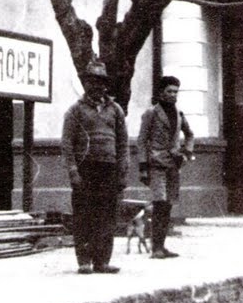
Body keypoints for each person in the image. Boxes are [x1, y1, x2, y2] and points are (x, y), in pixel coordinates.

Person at [61, 61, 127, 274]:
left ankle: (102, 261)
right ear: (85, 83)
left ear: (105, 85)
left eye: (100, 82)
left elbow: (123, 143)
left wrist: (122, 172)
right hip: (85, 170)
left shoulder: (115, 110)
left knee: (107, 215)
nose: (96, 86)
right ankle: (84, 261)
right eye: (92, 81)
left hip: (109, 169)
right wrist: (73, 172)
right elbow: (67, 143)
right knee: (84, 215)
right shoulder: (75, 110)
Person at [137, 74, 195, 259]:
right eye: (169, 91)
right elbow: (141, 141)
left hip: (173, 164)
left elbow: (190, 134)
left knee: (168, 204)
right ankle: (156, 248)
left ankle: (162, 245)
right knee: (159, 203)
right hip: (156, 164)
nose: (173, 95)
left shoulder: (178, 114)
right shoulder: (151, 113)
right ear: (161, 93)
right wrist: (143, 167)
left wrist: (186, 153)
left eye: (176, 92)